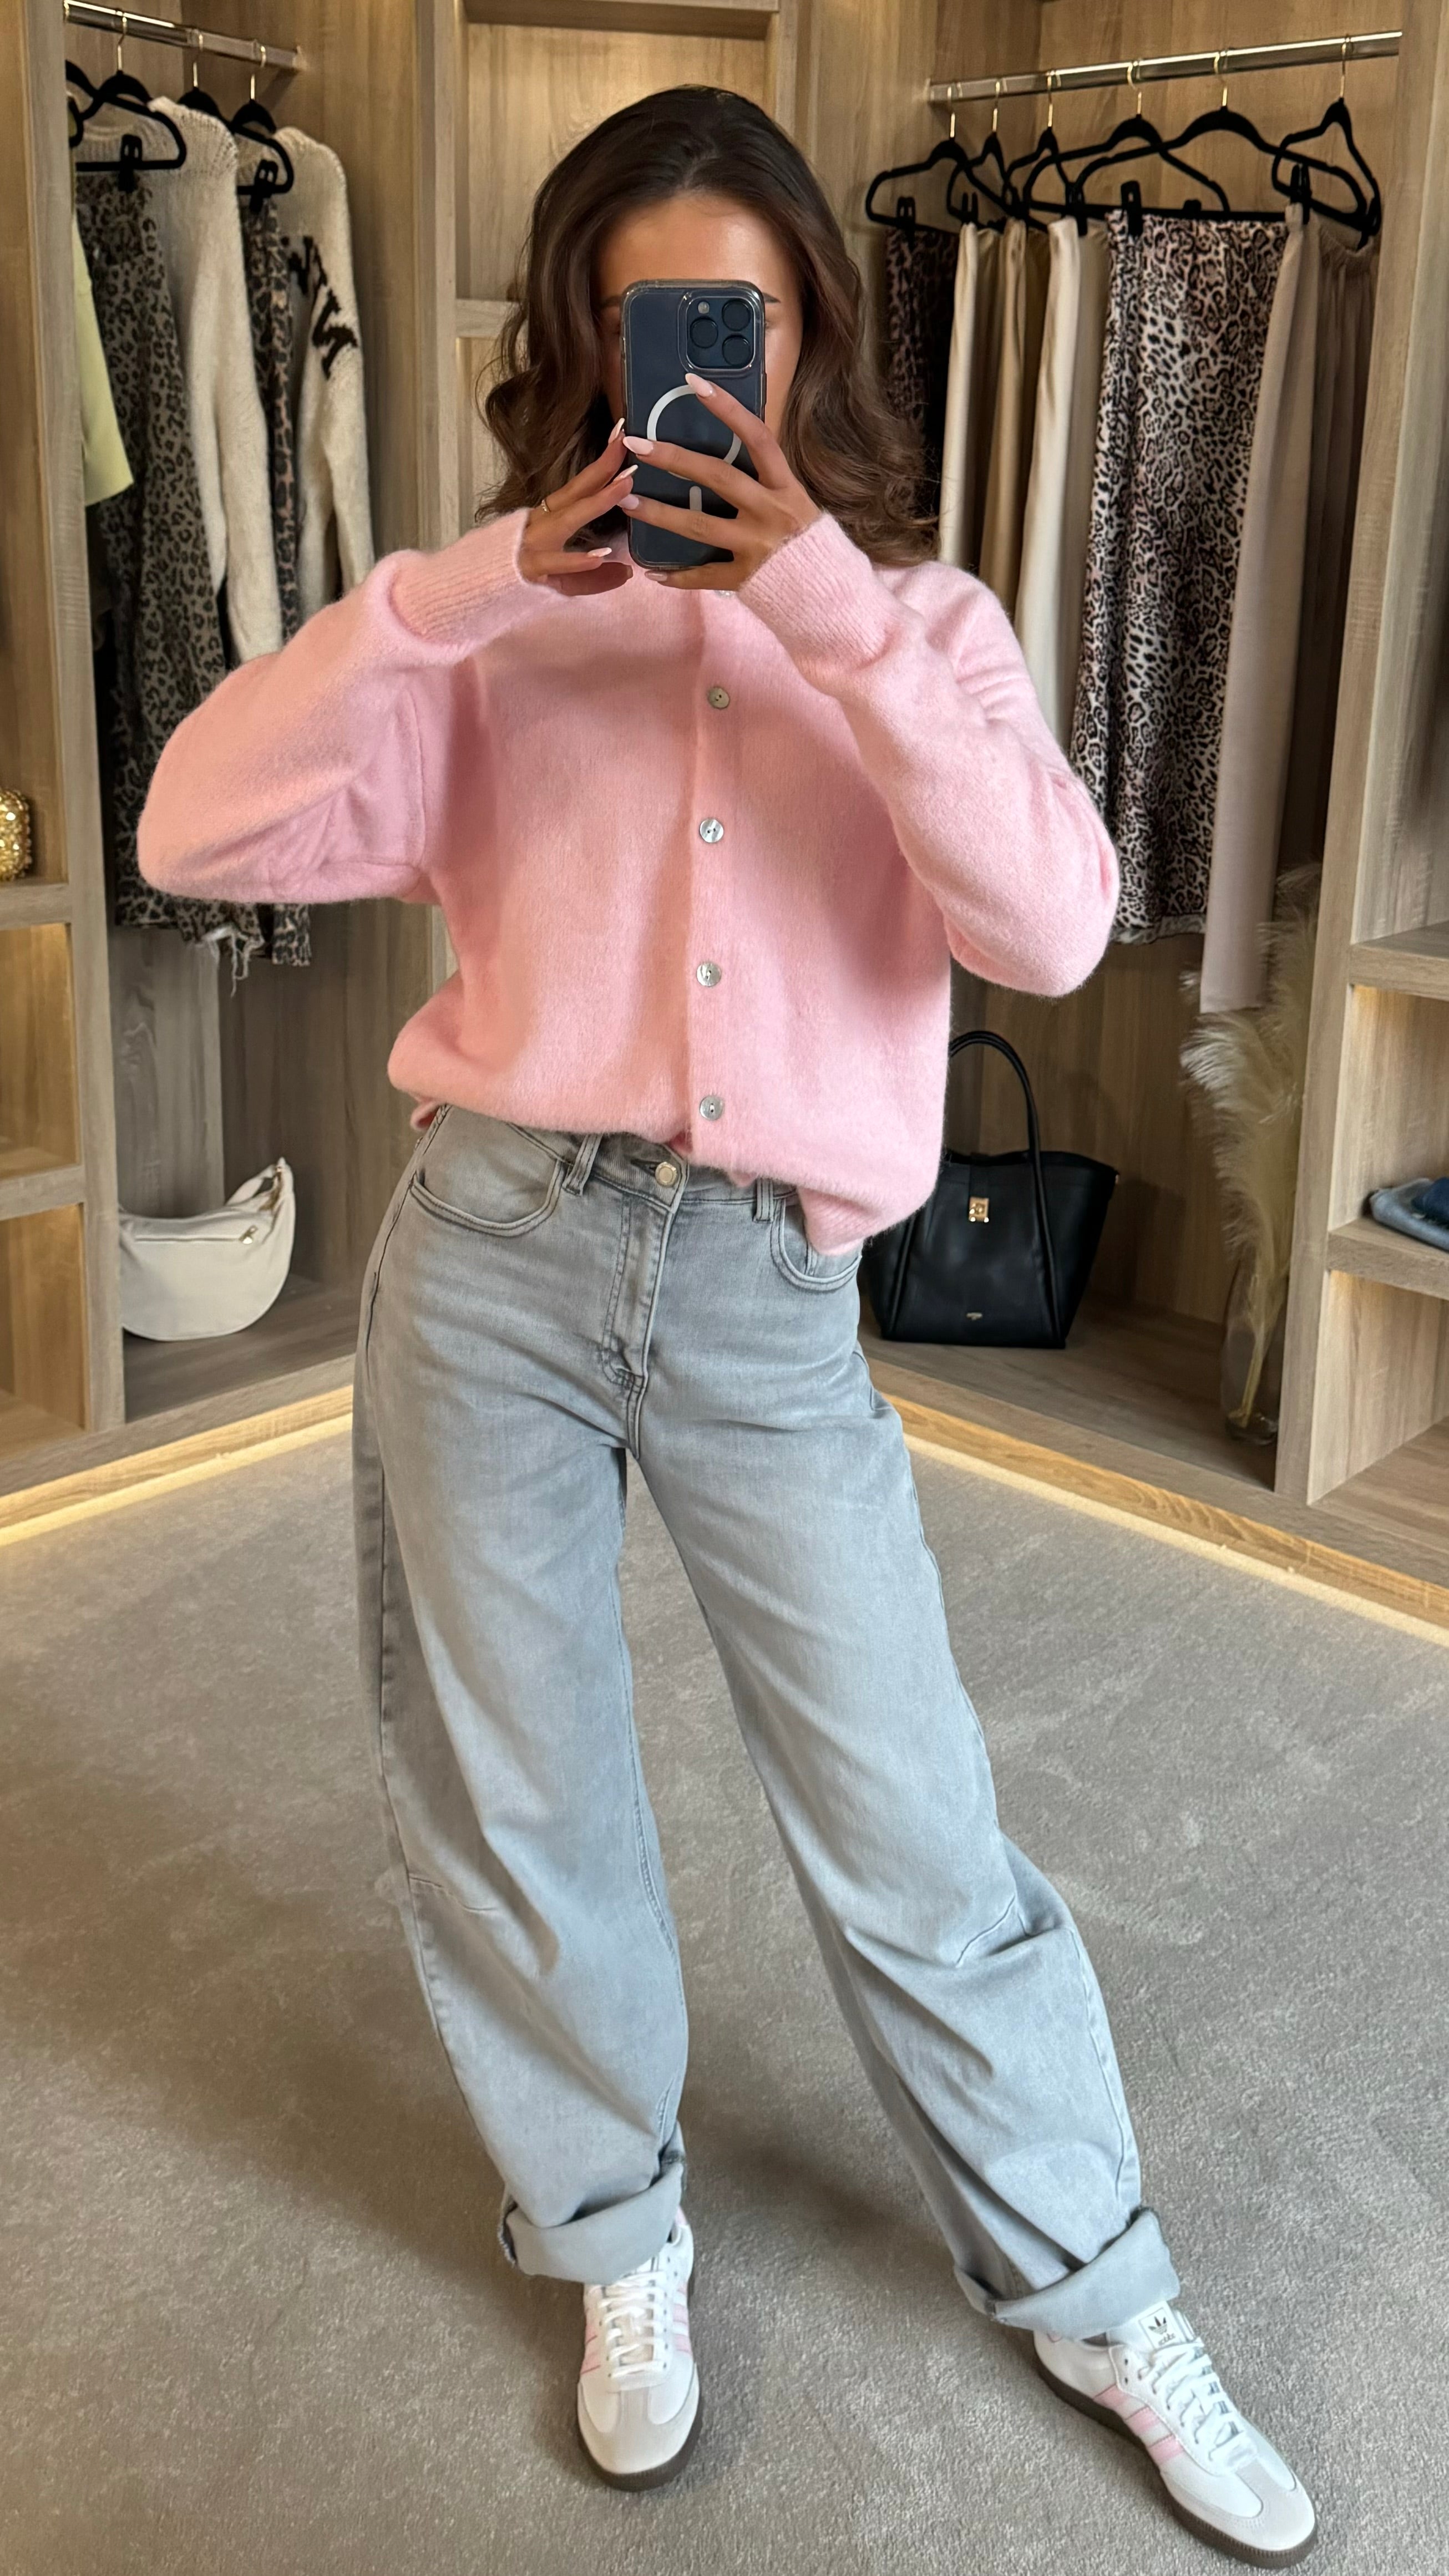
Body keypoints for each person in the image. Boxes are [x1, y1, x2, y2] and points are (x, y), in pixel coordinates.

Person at [136, 84, 1315, 2569]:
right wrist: (464, 590)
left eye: (737, 320)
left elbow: (1048, 925)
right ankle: (612, 2230)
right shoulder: (489, 636)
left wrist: (825, 616)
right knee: (519, 1788)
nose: (689, 363)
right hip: (493, 1260)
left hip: (774, 1293)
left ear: (804, 338)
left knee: (908, 1814)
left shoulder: (926, 633)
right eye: (639, 314)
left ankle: (1097, 2285)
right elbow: (191, 824)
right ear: (579, 338)